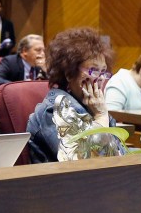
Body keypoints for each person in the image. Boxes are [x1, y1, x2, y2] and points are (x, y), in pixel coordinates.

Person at [26, 27, 125, 163]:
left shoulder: (93, 106)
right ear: (69, 73)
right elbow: (85, 164)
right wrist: (101, 117)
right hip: (62, 182)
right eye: (93, 70)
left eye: (103, 72)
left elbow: (119, 154)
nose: (101, 78)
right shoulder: (53, 110)